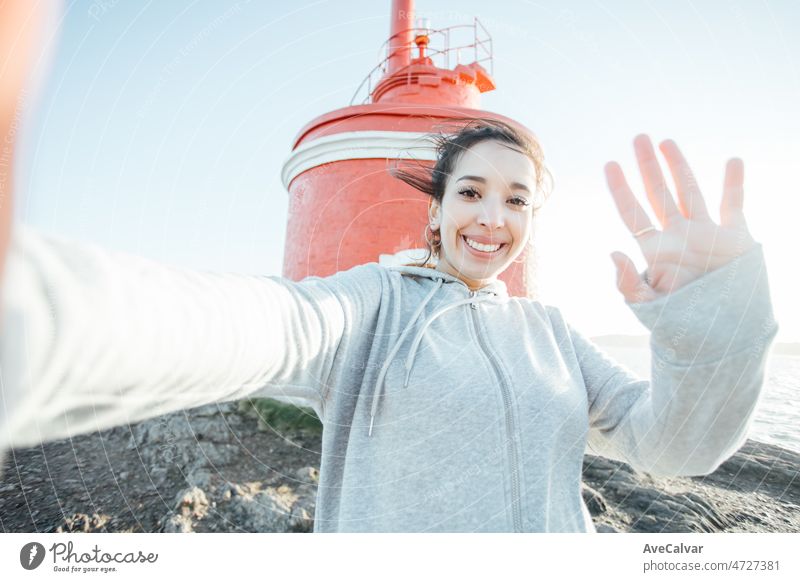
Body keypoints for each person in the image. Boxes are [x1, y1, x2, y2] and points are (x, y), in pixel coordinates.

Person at [0, 3, 780, 533]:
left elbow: (675, 447)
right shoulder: (370, 305)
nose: (492, 217)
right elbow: (251, 328)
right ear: (434, 210)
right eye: (470, 192)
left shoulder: (550, 332)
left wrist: (711, 326)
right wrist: (29, 313)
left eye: (517, 200)